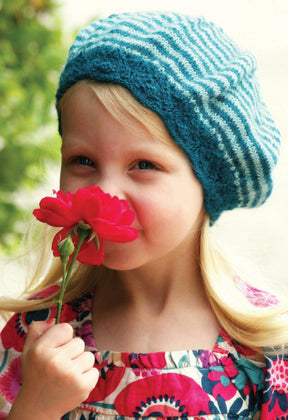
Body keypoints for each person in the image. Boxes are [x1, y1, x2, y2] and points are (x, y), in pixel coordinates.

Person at [0, 11, 287, 420]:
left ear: (209, 180)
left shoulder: (265, 348)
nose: (105, 192)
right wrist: (35, 407)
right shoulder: (37, 334)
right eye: (83, 160)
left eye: (144, 165)